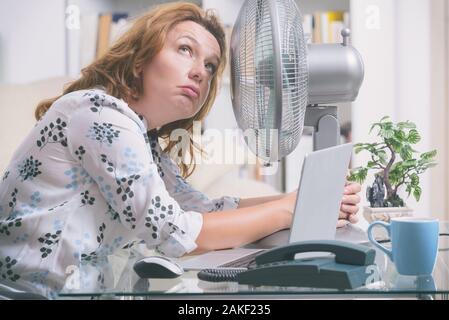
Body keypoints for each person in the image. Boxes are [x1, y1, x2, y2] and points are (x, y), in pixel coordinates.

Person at [0, 2, 360, 297]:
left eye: (210, 65)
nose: (200, 72)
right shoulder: (98, 113)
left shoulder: (142, 137)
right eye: (185, 49)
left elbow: (203, 207)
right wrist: (288, 211)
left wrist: (302, 198)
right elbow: (174, 232)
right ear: (140, 59)